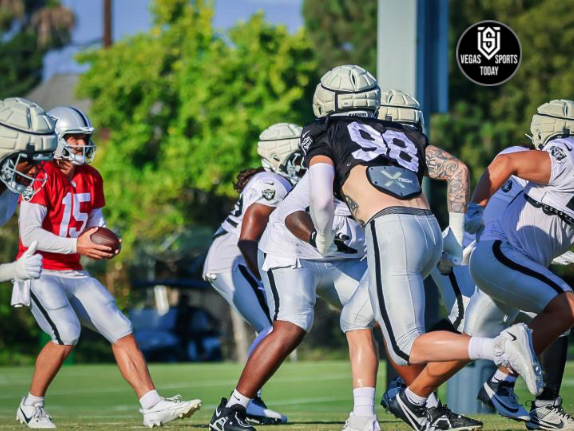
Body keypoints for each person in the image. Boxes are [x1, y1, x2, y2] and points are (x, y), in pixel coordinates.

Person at [305, 65, 543, 431]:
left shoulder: (326, 131)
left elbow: (321, 200)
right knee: (354, 318)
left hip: (390, 230)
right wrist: (456, 234)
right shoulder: (397, 130)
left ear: (325, 99)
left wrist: (322, 238)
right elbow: (458, 170)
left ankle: (499, 346)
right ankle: (363, 416)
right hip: (428, 228)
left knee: (405, 346)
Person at [15, 106, 201, 429]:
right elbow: (29, 234)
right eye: (74, 138)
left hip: (72, 270)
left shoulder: (91, 176)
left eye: (84, 138)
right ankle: (31, 405)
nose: (81, 144)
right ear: (56, 139)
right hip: (38, 270)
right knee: (67, 332)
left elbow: (96, 225)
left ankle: (152, 405)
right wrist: (78, 245)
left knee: (120, 327)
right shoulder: (40, 176)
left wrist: (110, 241)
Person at [209, 168, 379, 431]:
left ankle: (410, 402)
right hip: (294, 249)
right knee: (291, 324)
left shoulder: (393, 165)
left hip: (342, 256)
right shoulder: (305, 170)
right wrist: (317, 237)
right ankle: (233, 408)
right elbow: (286, 217)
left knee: (386, 317)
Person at [462, 98, 574, 430]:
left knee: (468, 341)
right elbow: (507, 162)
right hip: (498, 256)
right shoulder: (564, 153)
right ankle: (512, 388)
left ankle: (414, 395)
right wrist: (474, 208)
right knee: (565, 308)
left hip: (510, 262)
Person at [203, 122, 304, 424]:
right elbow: (247, 238)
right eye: (297, 155)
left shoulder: (275, 181)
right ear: (277, 156)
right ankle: (243, 402)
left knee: (274, 328)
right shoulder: (272, 183)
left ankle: (249, 401)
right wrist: (264, 278)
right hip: (232, 259)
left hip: (230, 258)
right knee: (276, 328)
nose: (304, 160)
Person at [0, 98, 56, 283]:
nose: (34, 170)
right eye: (28, 160)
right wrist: (13, 270)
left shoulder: (10, 193)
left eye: (39, 162)